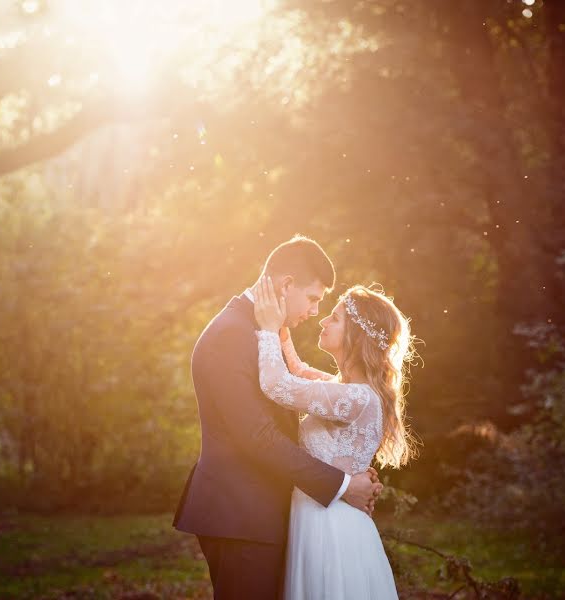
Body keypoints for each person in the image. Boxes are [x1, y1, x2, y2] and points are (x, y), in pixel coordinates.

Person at [173, 235, 383, 599]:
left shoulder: (262, 332)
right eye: (314, 298)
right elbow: (257, 436)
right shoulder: (232, 335)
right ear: (287, 285)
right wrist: (344, 485)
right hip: (241, 514)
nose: (315, 311)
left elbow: (294, 385)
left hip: (263, 513)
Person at [251, 275, 416, 600]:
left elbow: (275, 384)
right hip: (322, 517)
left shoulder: (356, 398)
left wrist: (268, 329)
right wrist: (284, 333)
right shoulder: (347, 391)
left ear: (356, 337)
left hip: (330, 528)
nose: (323, 319)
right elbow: (298, 372)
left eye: (336, 317)